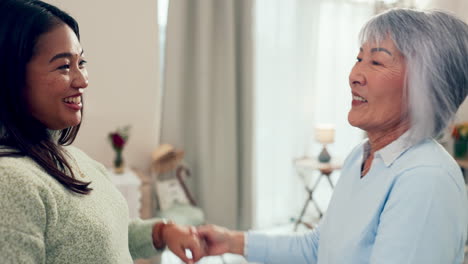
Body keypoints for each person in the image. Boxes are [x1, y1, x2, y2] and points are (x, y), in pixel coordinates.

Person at [197, 8, 468, 264]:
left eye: (376, 61)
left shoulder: (425, 179)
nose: (354, 75)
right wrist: (232, 241)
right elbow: (318, 247)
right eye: (359, 58)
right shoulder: (361, 157)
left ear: (425, 88)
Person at [0, 1, 204, 263]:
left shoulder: (74, 158)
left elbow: (103, 235)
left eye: (81, 62)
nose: (82, 80)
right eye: (64, 66)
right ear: (11, 77)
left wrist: (162, 232)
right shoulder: (10, 183)